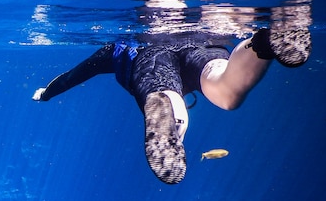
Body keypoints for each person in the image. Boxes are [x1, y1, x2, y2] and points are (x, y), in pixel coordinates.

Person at [32, 28, 311, 184]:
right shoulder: (207, 25)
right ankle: (261, 43)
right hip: (204, 44)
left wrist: (47, 93)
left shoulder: (117, 46)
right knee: (224, 90)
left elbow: (74, 75)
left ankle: (168, 116)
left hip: (149, 55)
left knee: (164, 90)